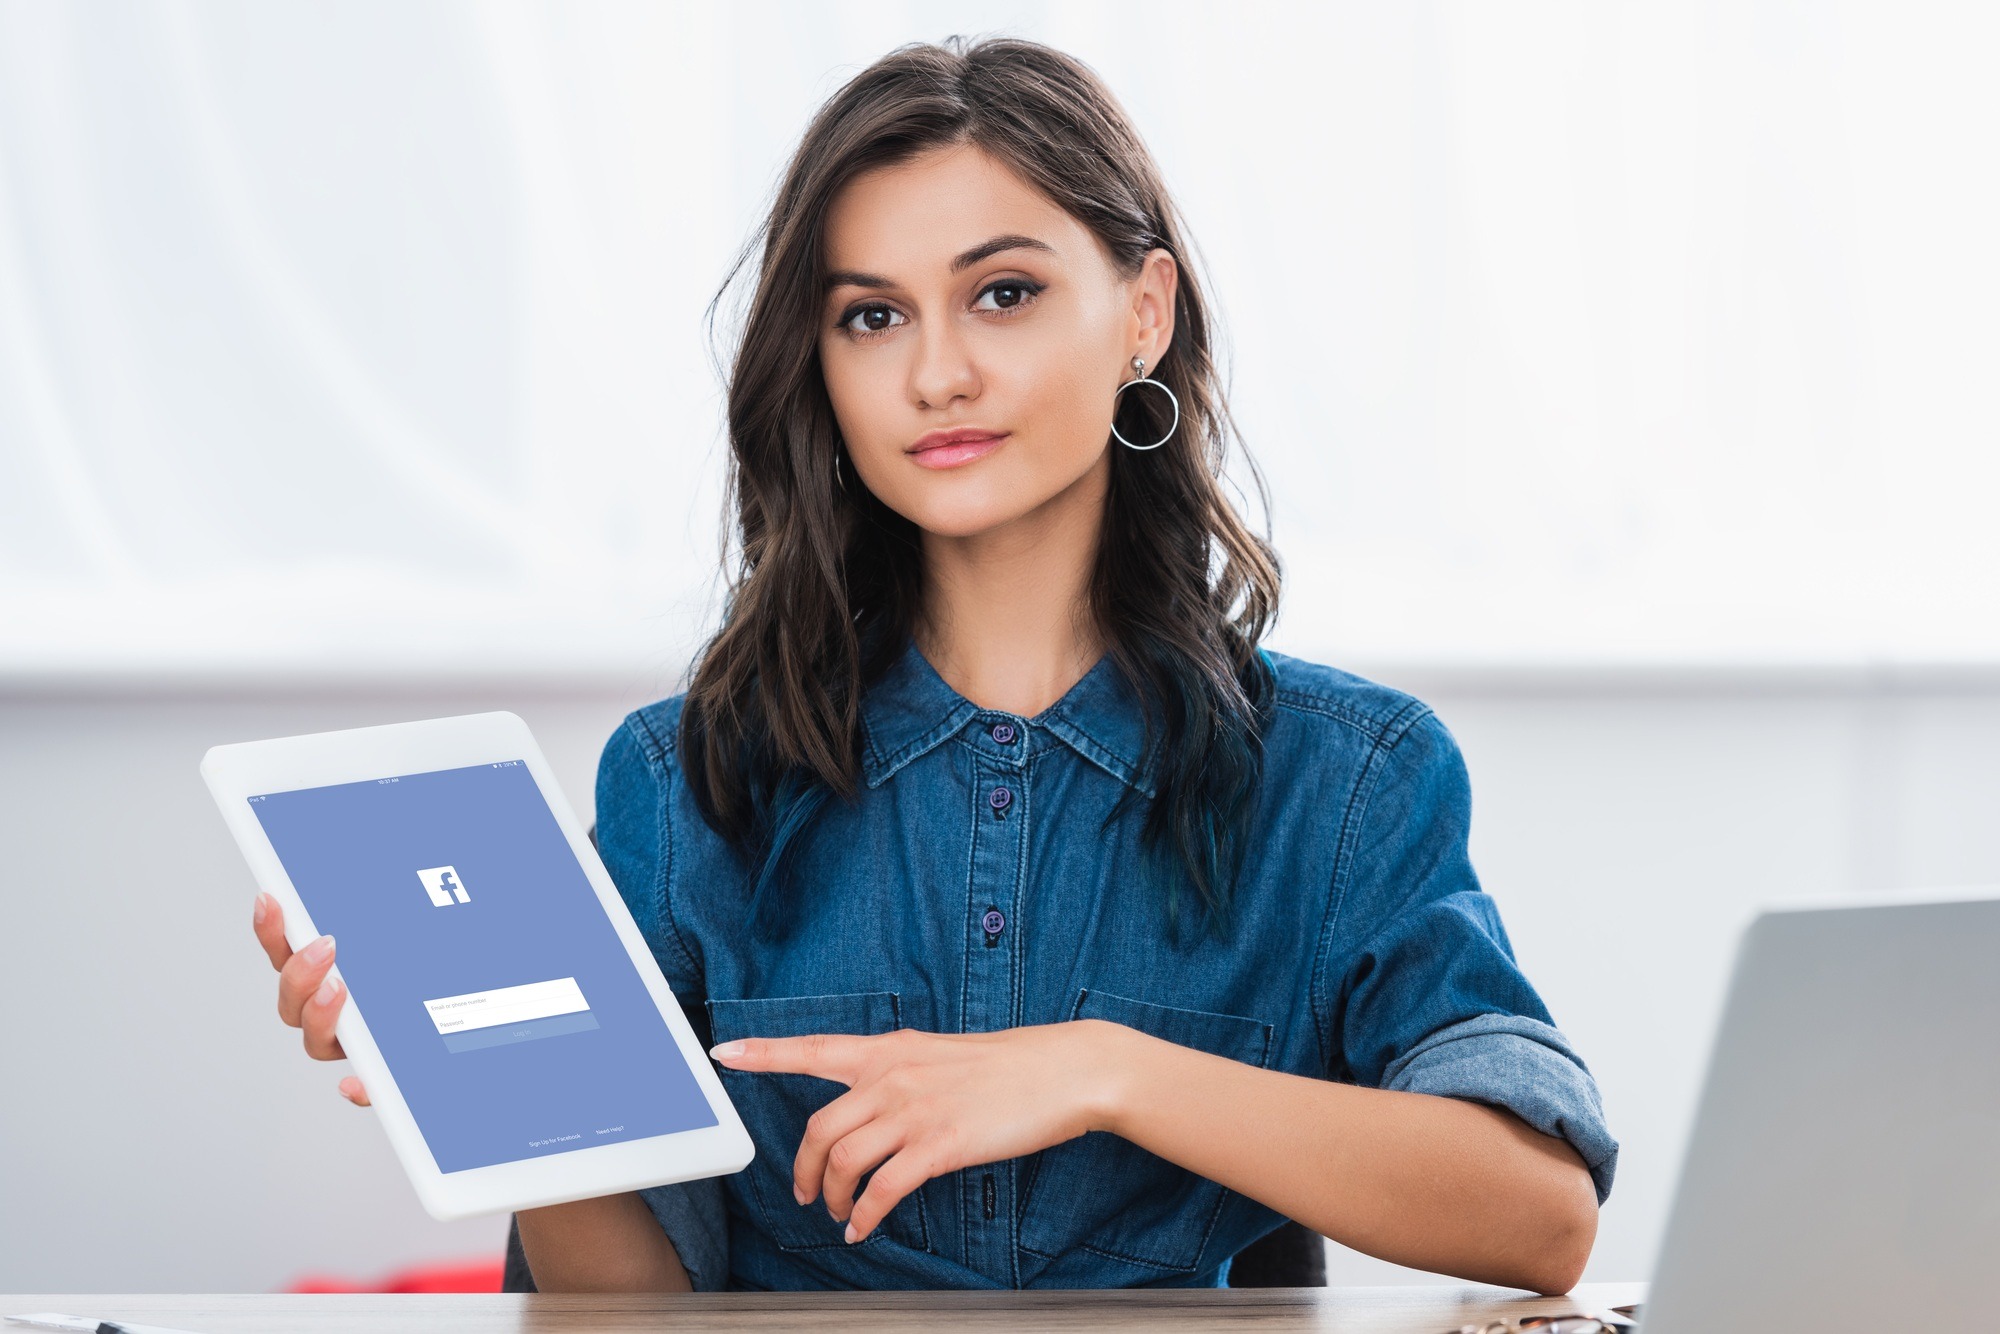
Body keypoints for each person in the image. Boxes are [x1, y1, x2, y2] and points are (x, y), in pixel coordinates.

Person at [251, 34, 1617, 1296]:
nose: (937, 373)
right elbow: (633, 1317)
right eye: (872, 316)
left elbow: (1538, 1212)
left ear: (1145, 310)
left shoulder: (1348, 779)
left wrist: (1098, 1071)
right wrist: (494, 1094)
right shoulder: (685, 784)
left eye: (1003, 293)